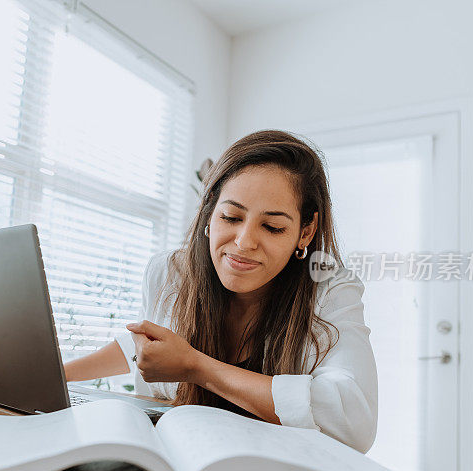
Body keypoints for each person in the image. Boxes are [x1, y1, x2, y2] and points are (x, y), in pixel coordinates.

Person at [64, 130, 377, 454]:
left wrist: (196, 367)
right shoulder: (170, 272)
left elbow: (354, 423)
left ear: (305, 231)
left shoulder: (329, 291)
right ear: (209, 213)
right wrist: (59, 376)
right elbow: (145, 343)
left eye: (272, 227)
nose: (244, 242)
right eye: (231, 216)